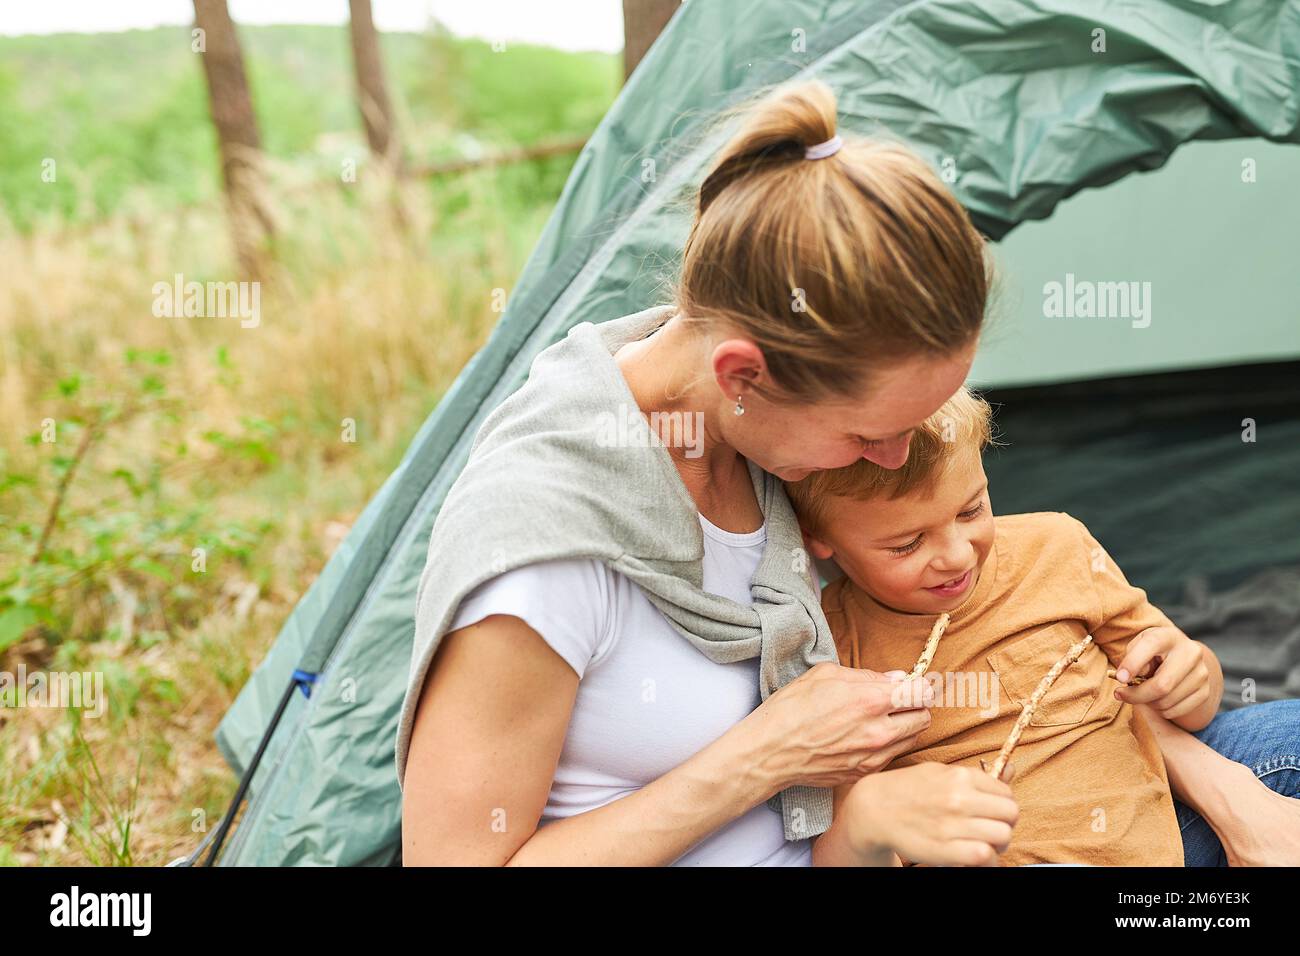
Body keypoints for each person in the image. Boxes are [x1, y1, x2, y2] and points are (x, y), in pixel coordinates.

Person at [398, 78, 1017, 866]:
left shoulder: (754, 446)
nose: (896, 460)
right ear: (741, 376)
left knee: (1232, 750)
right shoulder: (545, 548)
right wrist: (766, 757)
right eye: (868, 436)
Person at [785, 386, 1300, 866]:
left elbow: (1190, 699)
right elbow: (842, 841)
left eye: (971, 510)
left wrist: (1193, 677)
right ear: (818, 539)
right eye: (907, 544)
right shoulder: (828, 643)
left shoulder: (1058, 546)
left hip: (1159, 828)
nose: (958, 555)